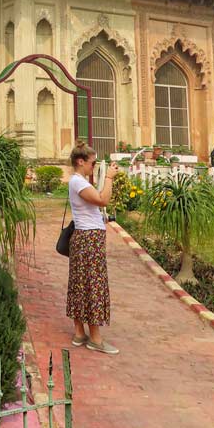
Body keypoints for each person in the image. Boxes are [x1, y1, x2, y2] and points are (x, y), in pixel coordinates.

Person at [67, 143, 119, 354]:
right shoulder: (77, 181)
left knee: (81, 283)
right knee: (93, 285)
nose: (94, 166)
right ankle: (95, 339)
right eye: (92, 162)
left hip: (86, 237)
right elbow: (102, 200)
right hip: (88, 239)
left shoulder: (78, 182)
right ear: (81, 161)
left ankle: (80, 333)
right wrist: (109, 178)